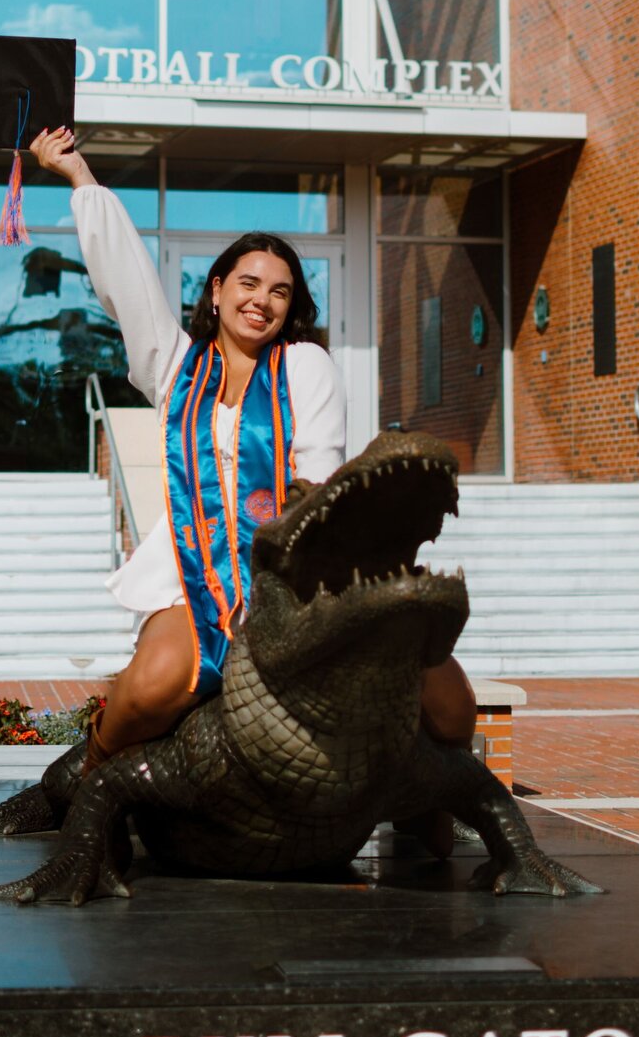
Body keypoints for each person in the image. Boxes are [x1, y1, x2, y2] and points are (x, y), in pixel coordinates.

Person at [30, 128, 477, 790]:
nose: (260, 300)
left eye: (279, 292)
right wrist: (79, 178)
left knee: (451, 705)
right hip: (196, 572)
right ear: (215, 291)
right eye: (247, 282)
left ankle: (432, 808)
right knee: (149, 688)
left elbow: (317, 478)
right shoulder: (177, 366)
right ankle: (83, 789)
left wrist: (286, 582)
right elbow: (126, 280)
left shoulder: (305, 366)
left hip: (303, 570)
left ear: (292, 308)